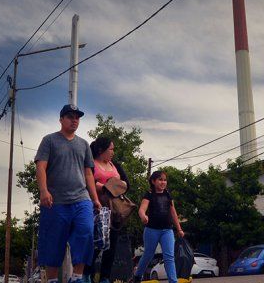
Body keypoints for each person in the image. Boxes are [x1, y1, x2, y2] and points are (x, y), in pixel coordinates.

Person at [35, 104, 102, 283]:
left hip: (81, 199)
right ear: (61, 119)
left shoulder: (84, 144)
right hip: (55, 202)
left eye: (77, 117)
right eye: (70, 116)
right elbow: (41, 167)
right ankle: (51, 280)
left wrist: (95, 199)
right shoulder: (49, 140)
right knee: (53, 242)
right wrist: (43, 191)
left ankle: (77, 277)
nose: (74, 120)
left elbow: (89, 173)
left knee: (86, 232)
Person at [84, 133, 130, 283]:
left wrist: (108, 186)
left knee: (112, 243)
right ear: (101, 150)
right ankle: (86, 273)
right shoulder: (90, 163)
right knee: (97, 242)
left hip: (115, 209)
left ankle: (105, 277)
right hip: (97, 207)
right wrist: (108, 186)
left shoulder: (116, 165)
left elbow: (126, 184)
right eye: (111, 149)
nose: (113, 152)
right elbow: (87, 181)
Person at [130, 171, 184, 283]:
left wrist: (179, 228)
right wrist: (143, 216)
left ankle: (173, 281)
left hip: (167, 230)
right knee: (148, 255)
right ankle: (137, 276)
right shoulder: (149, 194)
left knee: (169, 257)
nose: (163, 182)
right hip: (152, 230)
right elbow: (142, 209)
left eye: (164, 180)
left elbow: (173, 212)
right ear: (153, 181)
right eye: (160, 179)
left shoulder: (168, 194)